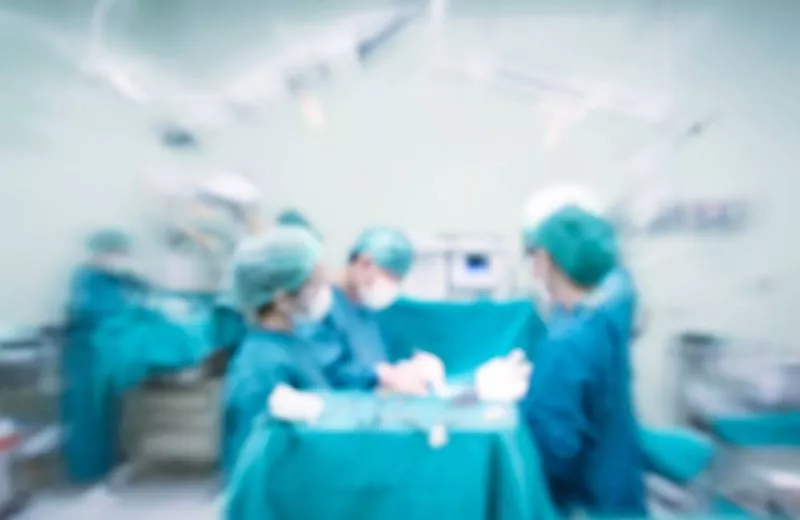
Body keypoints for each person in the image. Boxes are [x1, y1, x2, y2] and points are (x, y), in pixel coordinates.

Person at [519, 206, 646, 516]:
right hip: (620, 495)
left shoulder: (565, 343)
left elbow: (554, 453)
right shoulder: (604, 322)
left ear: (544, 260)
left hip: (585, 506)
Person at [222, 227, 333, 475]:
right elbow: (256, 470)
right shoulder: (261, 368)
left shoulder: (294, 341)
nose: (326, 288)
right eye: (314, 282)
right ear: (281, 298)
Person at [302, 227, 429, 393]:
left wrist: (413, 363)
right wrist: (380, 376)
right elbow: (325, 370)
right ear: (364, 262)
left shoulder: (366, 312)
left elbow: (374, 359)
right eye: (390, 277)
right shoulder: (322, 306)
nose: (391, 286)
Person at [62, 229, 145, 482]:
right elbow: (98, 315)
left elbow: (144, 293)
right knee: (88, 417)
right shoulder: (87, 281)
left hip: (108, 360)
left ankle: (107, 467)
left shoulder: (121, 280)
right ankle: (87, 475)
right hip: (87, 358)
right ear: (100, 254)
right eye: (117, 254)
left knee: (108, 416)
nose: (121, 258)